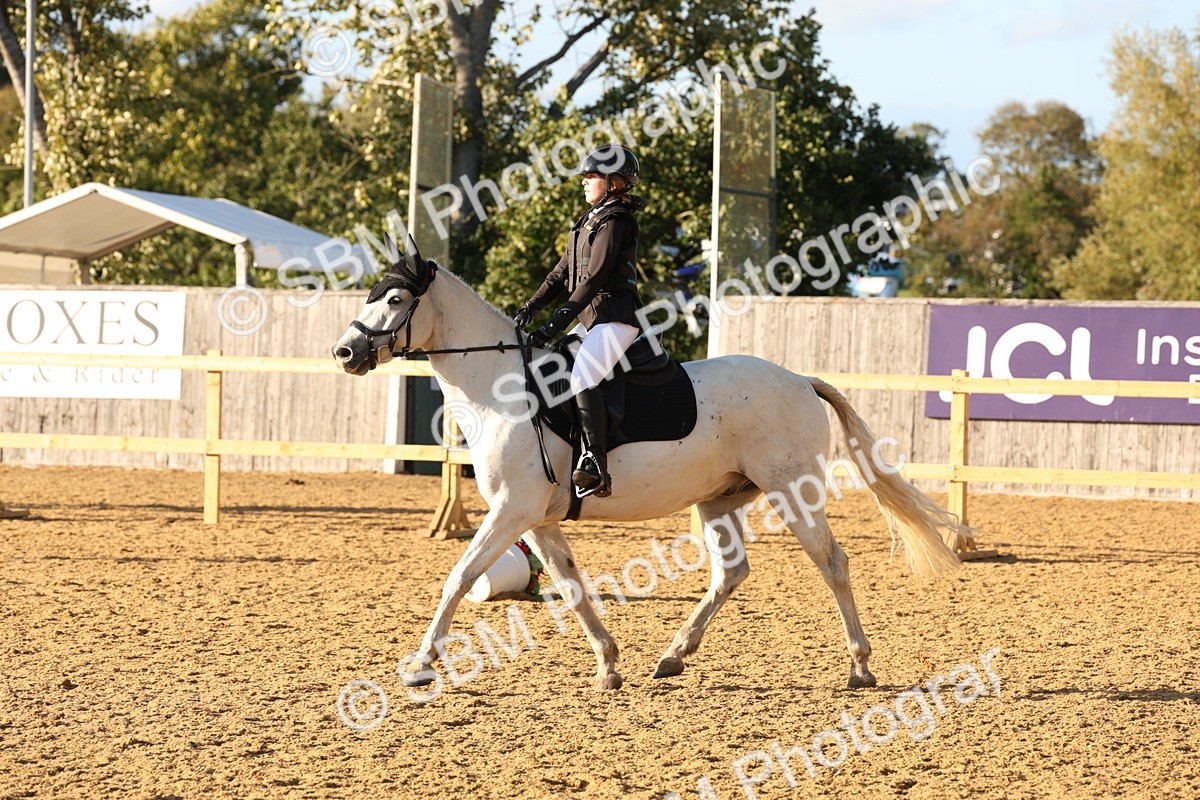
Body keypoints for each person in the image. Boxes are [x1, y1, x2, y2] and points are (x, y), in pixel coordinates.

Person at [513, 144, 646, 498]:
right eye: (585, 177)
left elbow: (595, 279)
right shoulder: (588, 221)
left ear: (614, 182)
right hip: (591, 318)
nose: (584, 183)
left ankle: (597, 465)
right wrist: (532, 306)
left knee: (582, 376)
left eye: (591, 177)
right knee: (550, 365)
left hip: (614, 317)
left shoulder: (616, 221)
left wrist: (554, 323)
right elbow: (560, 273)